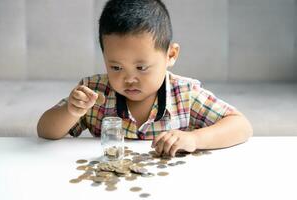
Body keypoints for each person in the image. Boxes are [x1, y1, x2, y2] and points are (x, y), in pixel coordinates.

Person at [37, 0, 253, 157]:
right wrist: (71, 112)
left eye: (141, 67)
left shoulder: (185, 95)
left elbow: (241, 126)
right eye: (115, 67)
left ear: (171, 55)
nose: (129, 78)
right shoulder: (94, 91)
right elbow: (45, 131)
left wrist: (194, 139)